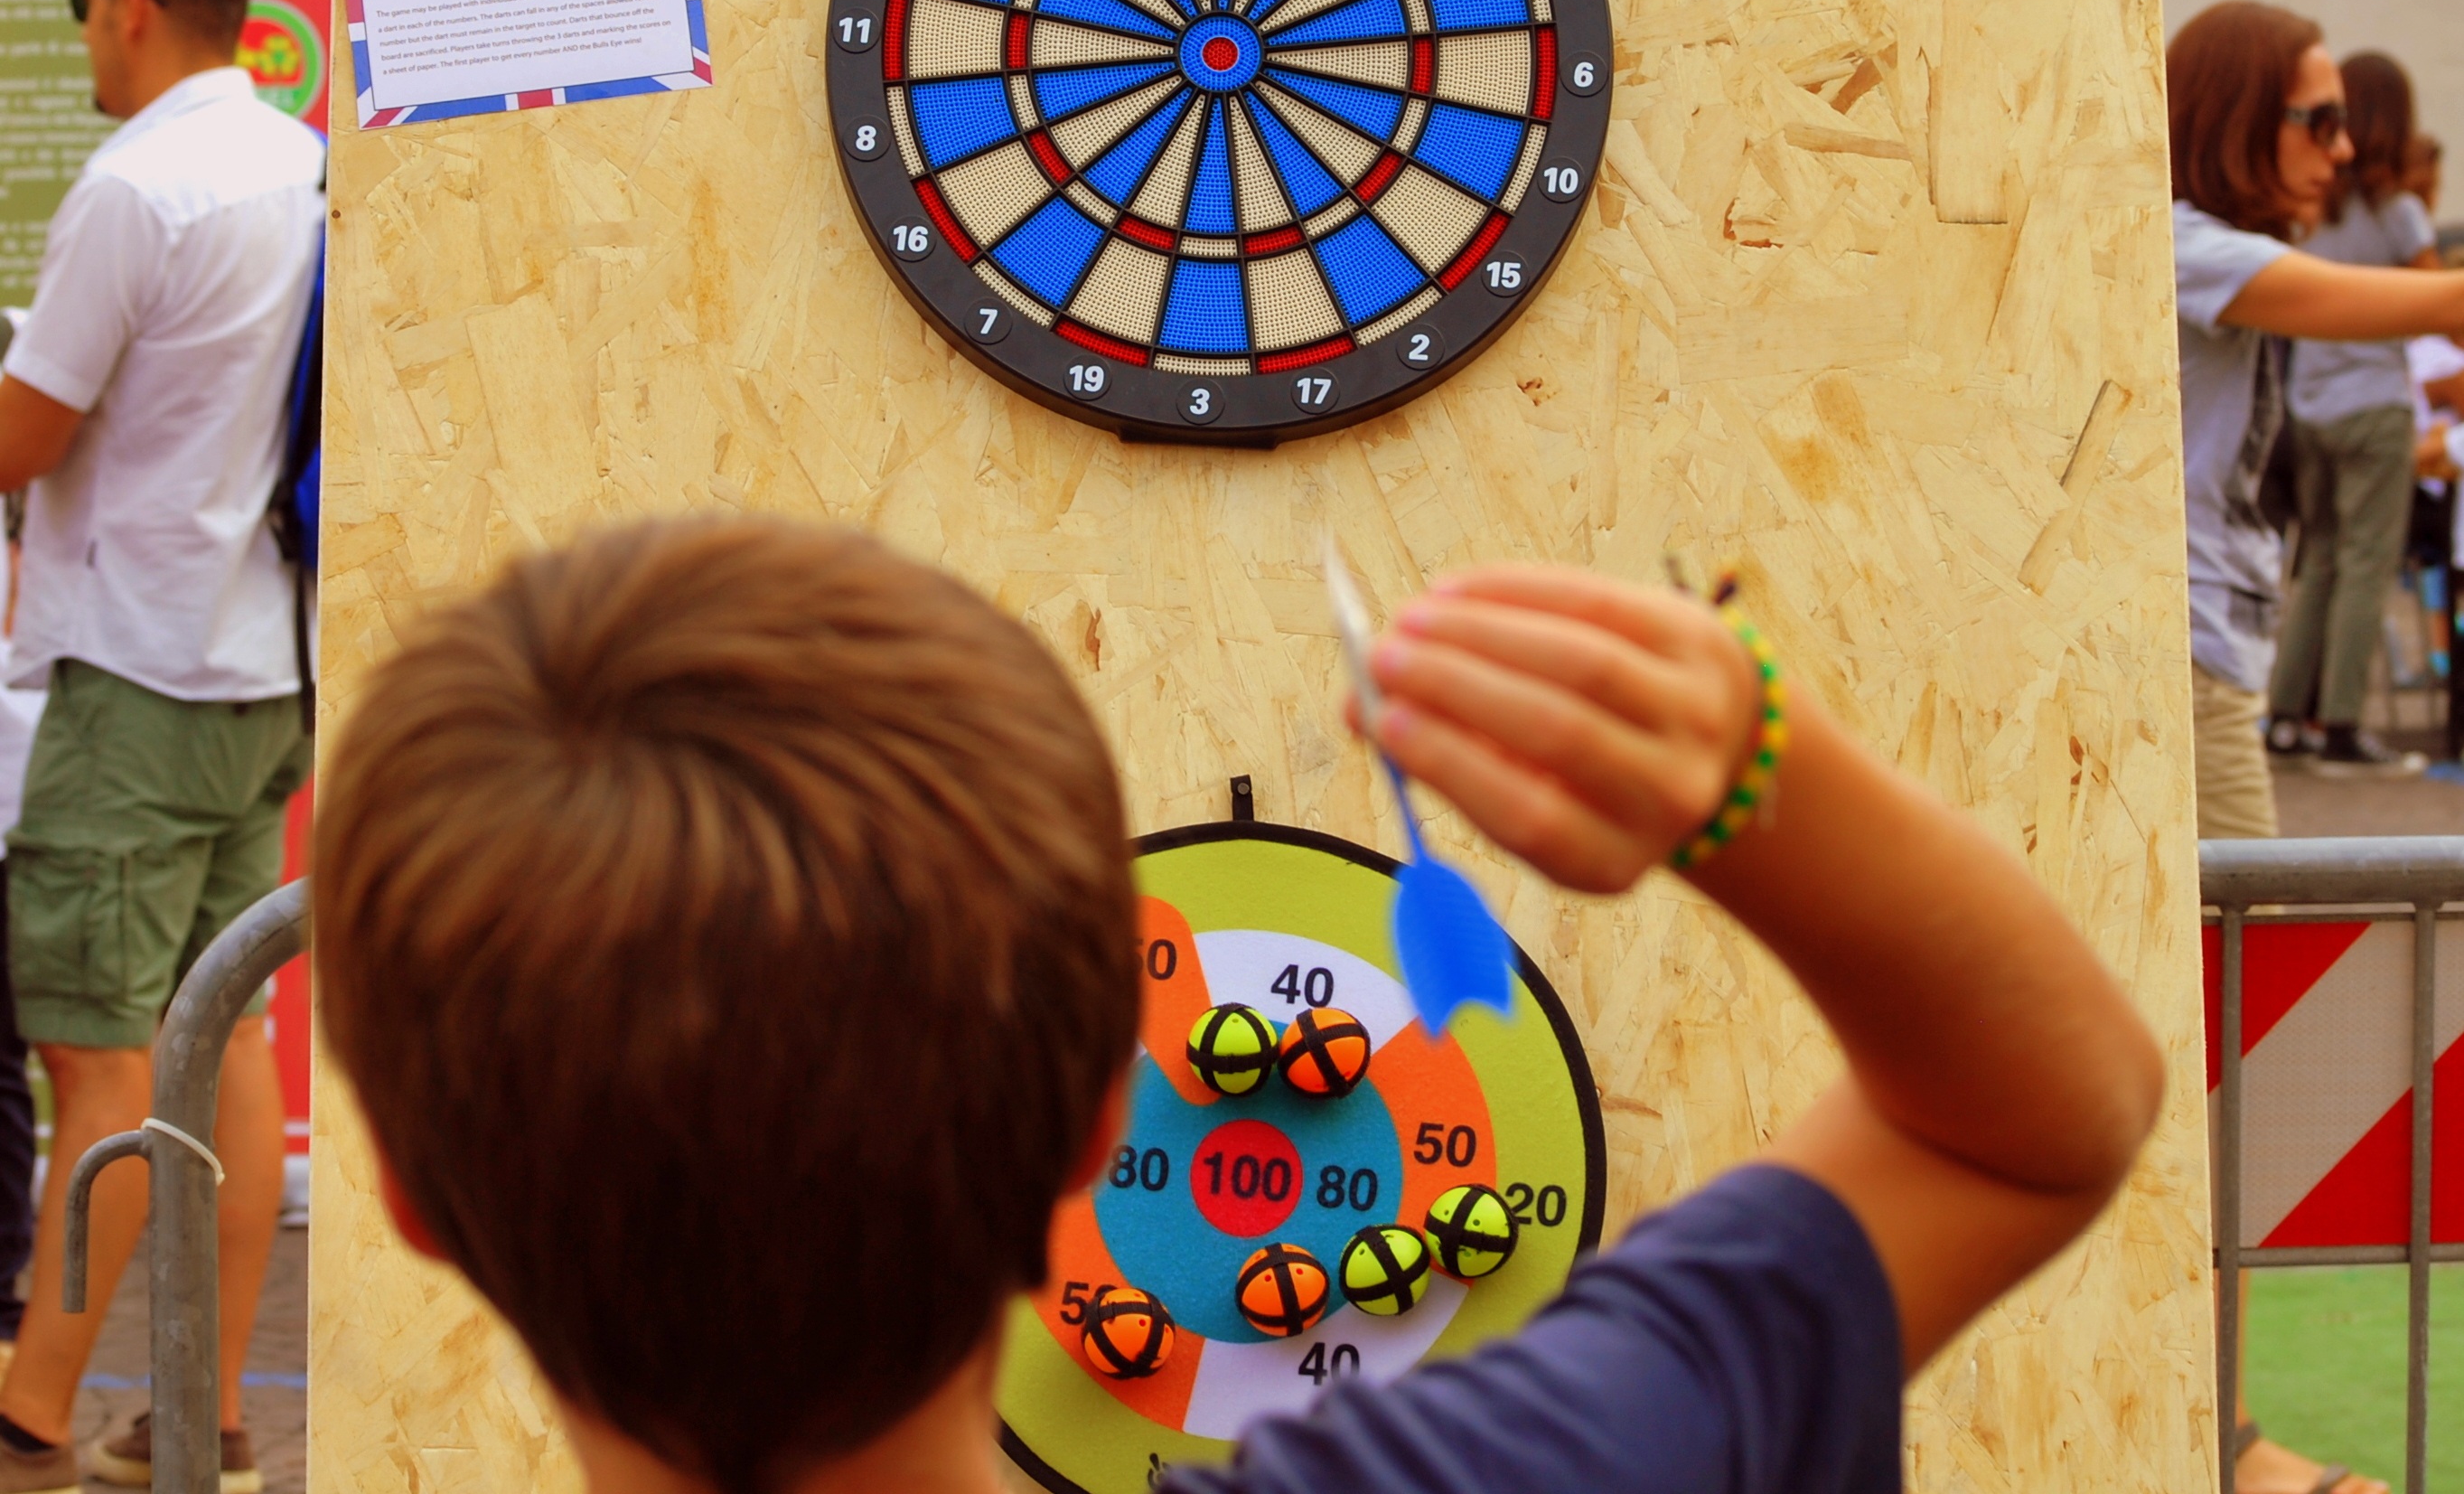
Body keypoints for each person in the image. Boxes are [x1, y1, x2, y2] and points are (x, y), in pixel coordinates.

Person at [317, 514, 2164, 1494]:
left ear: (404, 1190)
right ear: (1100, 1138)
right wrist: (1754, 768)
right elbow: (2018, 1119)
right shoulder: (1549, 1469)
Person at [0, 0, 323, 1494]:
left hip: (135, 669)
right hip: (258, 658)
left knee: (98, 1058)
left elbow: (22, 437)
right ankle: (207, 1413)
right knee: (223, 1039)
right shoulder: (295, 159)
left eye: (81, 2)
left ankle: (33, 1408)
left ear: (129, 2)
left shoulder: (139, 186)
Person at [2167, 1, 2464, 1494]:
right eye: (2313, 117)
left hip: (2207, 670)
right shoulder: (2181, 243)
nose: (2340, 147)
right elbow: (2381, 309)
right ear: (2234, 117)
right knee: (2232, 1067)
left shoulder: (2207, 250)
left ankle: (2211, 1429)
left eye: (2346, 119)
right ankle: (2217, 1442)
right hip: (2190, 679)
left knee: (2221, 1065)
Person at [2268, 53, 2441, 768]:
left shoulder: (2312, 212)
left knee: (2319, 561)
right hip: (2372, 405)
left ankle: (2283, 717)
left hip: (2309, 405)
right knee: (2367, 563)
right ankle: (2341, 722)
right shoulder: (2396, 213)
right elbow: (2442, 305)